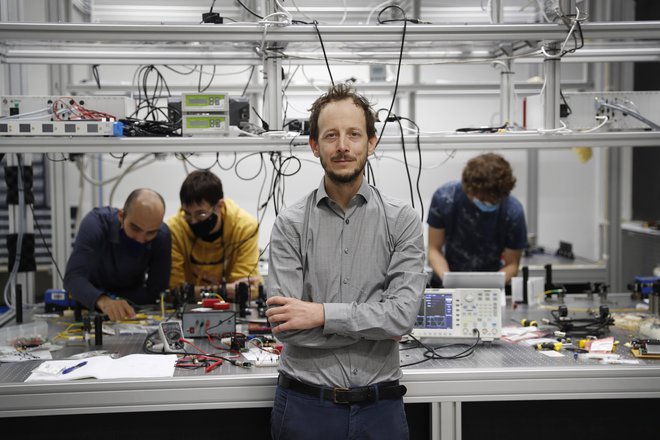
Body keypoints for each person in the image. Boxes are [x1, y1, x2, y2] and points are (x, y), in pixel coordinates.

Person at [266, 83, 427, 440]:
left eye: (353, 134)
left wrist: (321, 315)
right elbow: (287, 327)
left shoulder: (402, 220)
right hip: (305, 407)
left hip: (380, 408)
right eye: (330, 135)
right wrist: (375, 328)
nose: (342, 146)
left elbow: (401, 317)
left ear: (371, 142)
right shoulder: (290, 224)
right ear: (314, 145)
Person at [64, 188, 171, 321]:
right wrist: (103, 300)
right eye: (135, 228)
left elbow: (157, 290)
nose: (141, 239)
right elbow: (73, 278)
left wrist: (118, 302)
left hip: (133, 311)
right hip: (92, 306)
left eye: (151, 233)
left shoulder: (162, 236)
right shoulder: (96, 224)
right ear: (121, 216)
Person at [426, 152, 528, 287]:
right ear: (468, 190)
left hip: (492, 286)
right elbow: (434, 249)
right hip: (445, 280)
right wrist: (448, 280)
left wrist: (490, 285)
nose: (487, 205)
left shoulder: (513, 212)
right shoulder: (445, 199)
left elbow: (512, 264)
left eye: (493, 202)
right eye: (482, 200)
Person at [167, 170, 261, 301]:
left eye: (201, 214)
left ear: (219, 205)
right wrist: (222, 289)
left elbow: (245, 289)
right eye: (187, 213)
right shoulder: (174, 229)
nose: (193, 221)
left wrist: (194, 291)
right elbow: (174, 290)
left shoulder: (245, 227)